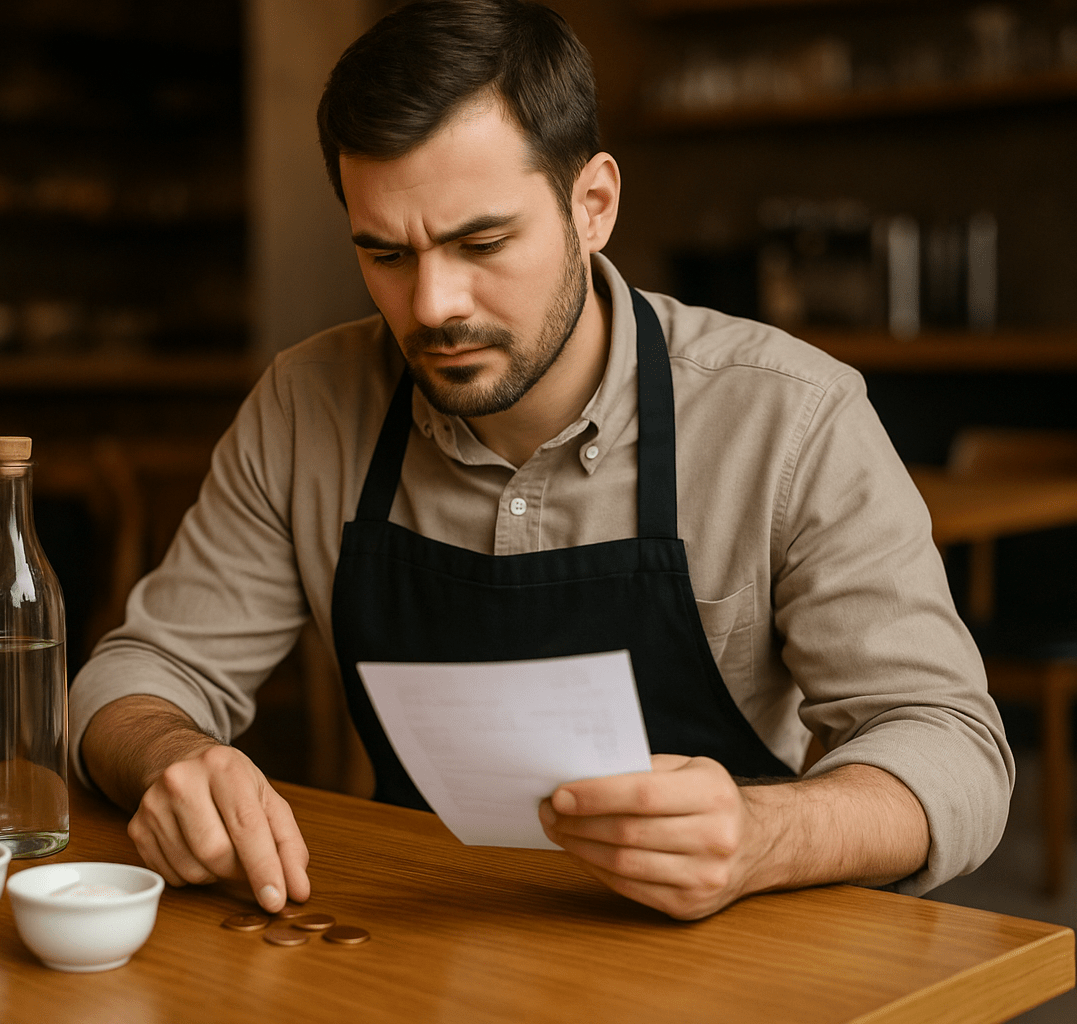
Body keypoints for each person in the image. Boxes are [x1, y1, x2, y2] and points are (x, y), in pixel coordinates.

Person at [71, 0, 1012, 921]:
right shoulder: (305, 404)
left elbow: (953, 747)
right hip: (407, 941)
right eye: (386, 254)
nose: (433, 304)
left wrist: (768, 832)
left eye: (482, 242)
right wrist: (172, 758)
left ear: (592, 204)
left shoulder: (789, 415)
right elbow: (137, 676)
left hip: (727, 954)